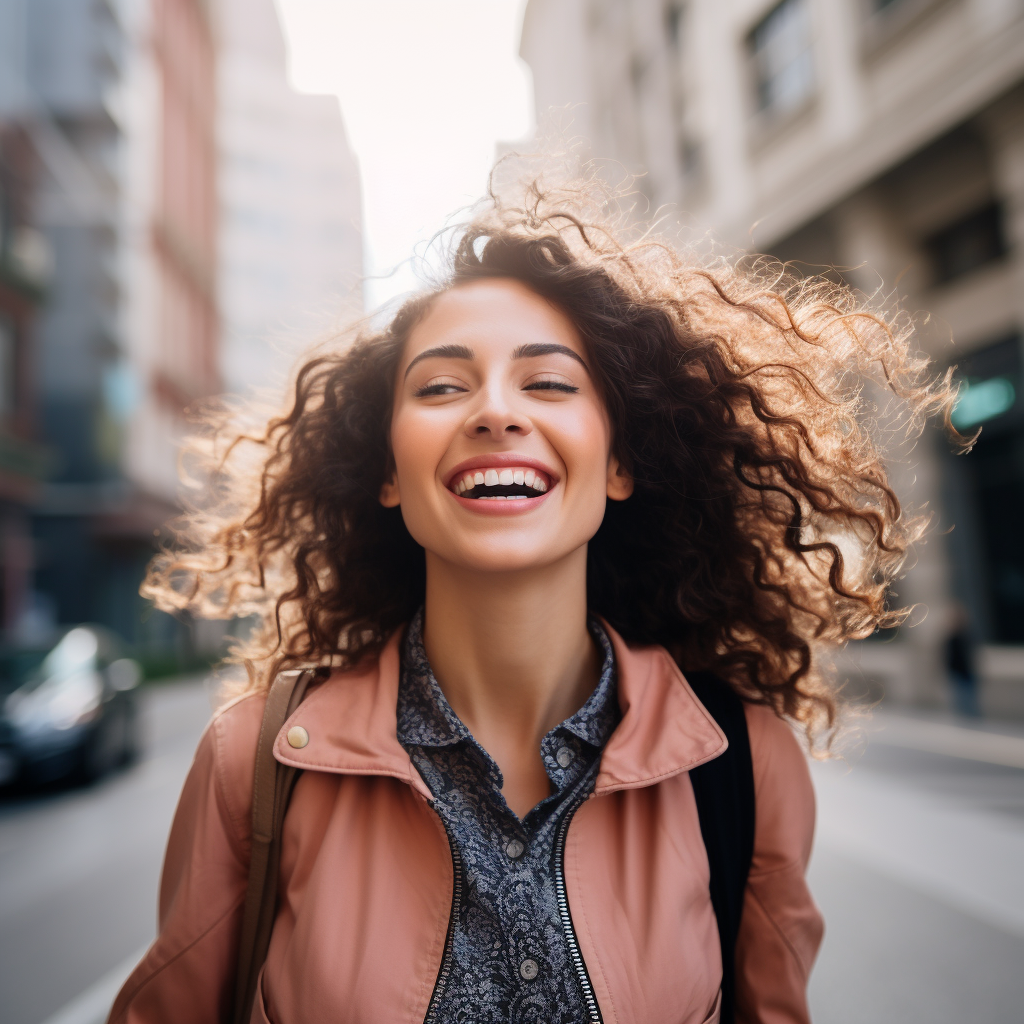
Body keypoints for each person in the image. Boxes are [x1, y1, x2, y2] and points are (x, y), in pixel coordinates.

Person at [109, 175, 956, 1024]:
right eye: (442, 387)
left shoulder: (744, 762)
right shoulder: (252, 762)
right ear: (388, 475)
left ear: (620, 463)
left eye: (549, 384)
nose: (495, 412)